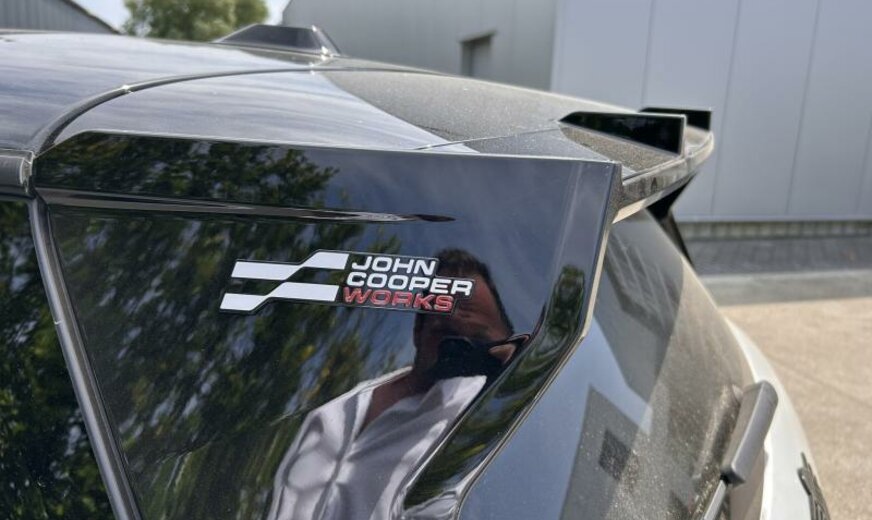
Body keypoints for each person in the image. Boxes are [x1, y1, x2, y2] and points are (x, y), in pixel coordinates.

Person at [267, 249, 528, 520]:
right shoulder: (330, 415)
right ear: (418, 330)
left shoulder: (495, 420)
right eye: (446, 336)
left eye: (478, 339)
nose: (458, 351)